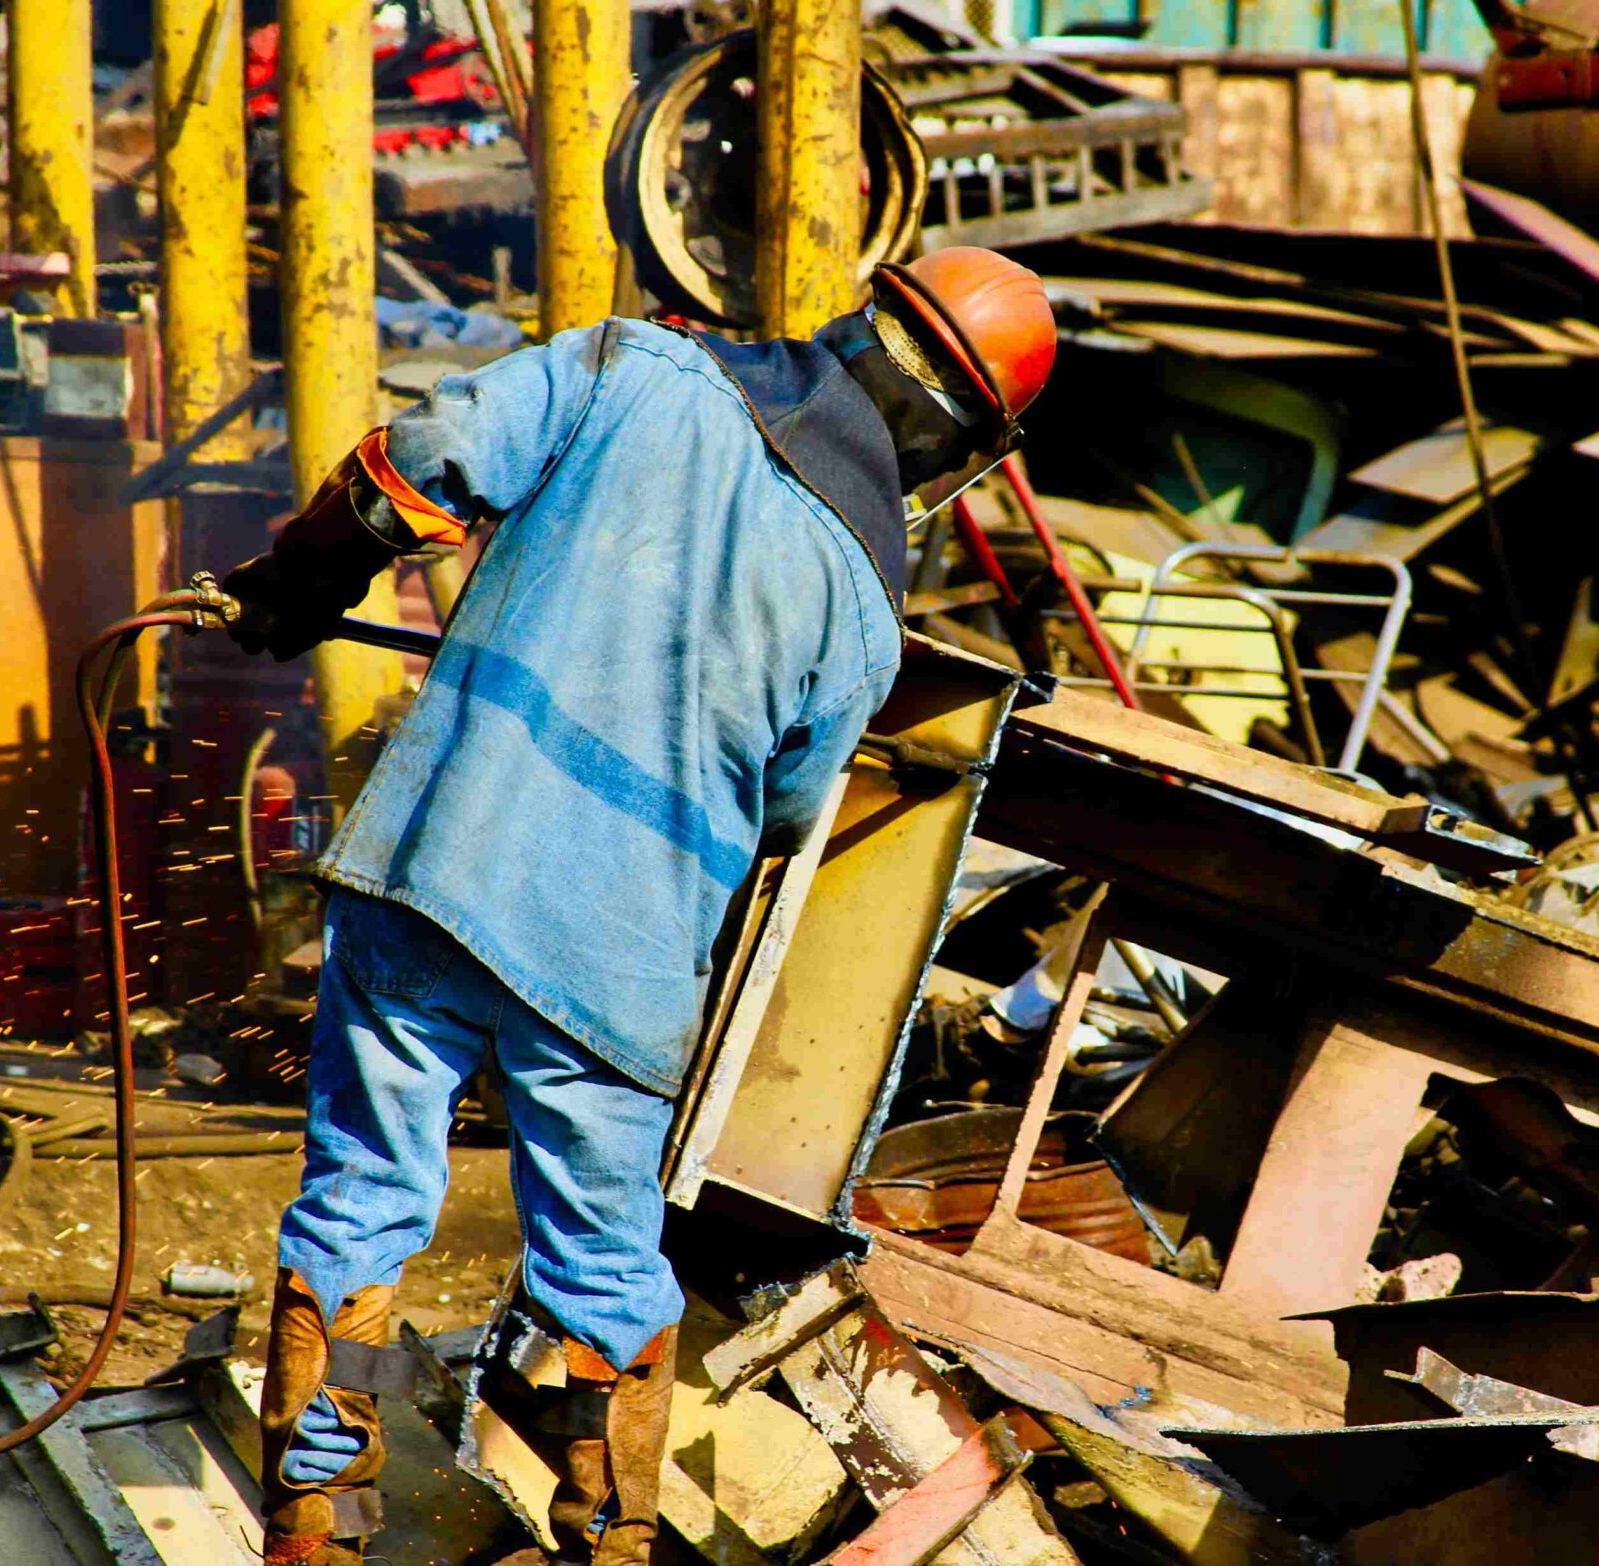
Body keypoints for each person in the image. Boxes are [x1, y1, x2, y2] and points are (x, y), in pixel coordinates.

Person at [221, 248, 1057, 1566]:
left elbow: (415, 462)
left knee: (363, 1203)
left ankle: (322, 1530)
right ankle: (606, 1543)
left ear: (862, 314)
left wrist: (297, 580)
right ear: (962, 441)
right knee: (602, 1275)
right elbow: (788, 814)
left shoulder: (636, 366)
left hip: (436, 860)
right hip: (619, 957)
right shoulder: (863, 606)